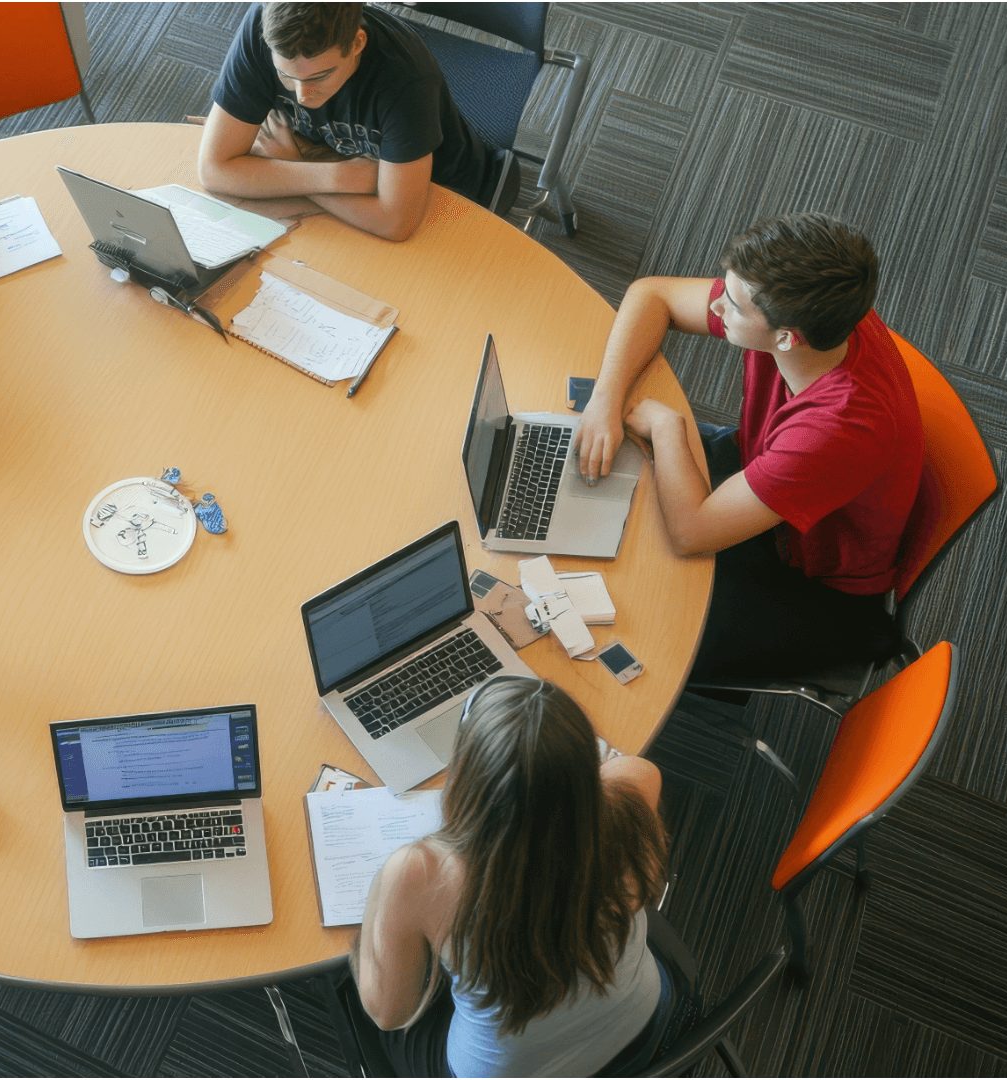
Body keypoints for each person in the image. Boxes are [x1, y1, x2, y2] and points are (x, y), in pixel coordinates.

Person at [572, 213, 922, 679]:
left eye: (734, 305)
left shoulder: (834, 432)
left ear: (786, 338)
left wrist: (668, 427)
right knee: (607, 494)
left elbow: (691, 534)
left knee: (633, 619)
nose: (717, 305)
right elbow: (652, 294)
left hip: (812, 579)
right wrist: (605, 400)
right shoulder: (817, 310)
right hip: (767, 468)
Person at [350, 677, 671, 1076]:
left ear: (467, 776)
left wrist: (385, 888)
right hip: (641, 1030)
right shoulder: (636, 787)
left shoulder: (420, 873)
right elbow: (613, 770)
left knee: (346, 990)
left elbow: (388, 1014)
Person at [198, 2, 517, 243]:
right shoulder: (265, 29)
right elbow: (214, 170)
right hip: (341, 174)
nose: (302, 95)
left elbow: (395, 223)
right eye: (285, 75)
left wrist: (290, 165)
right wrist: (335, 176)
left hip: (443, 195)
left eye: (320, 76)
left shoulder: (406, 80)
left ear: (357, 44)